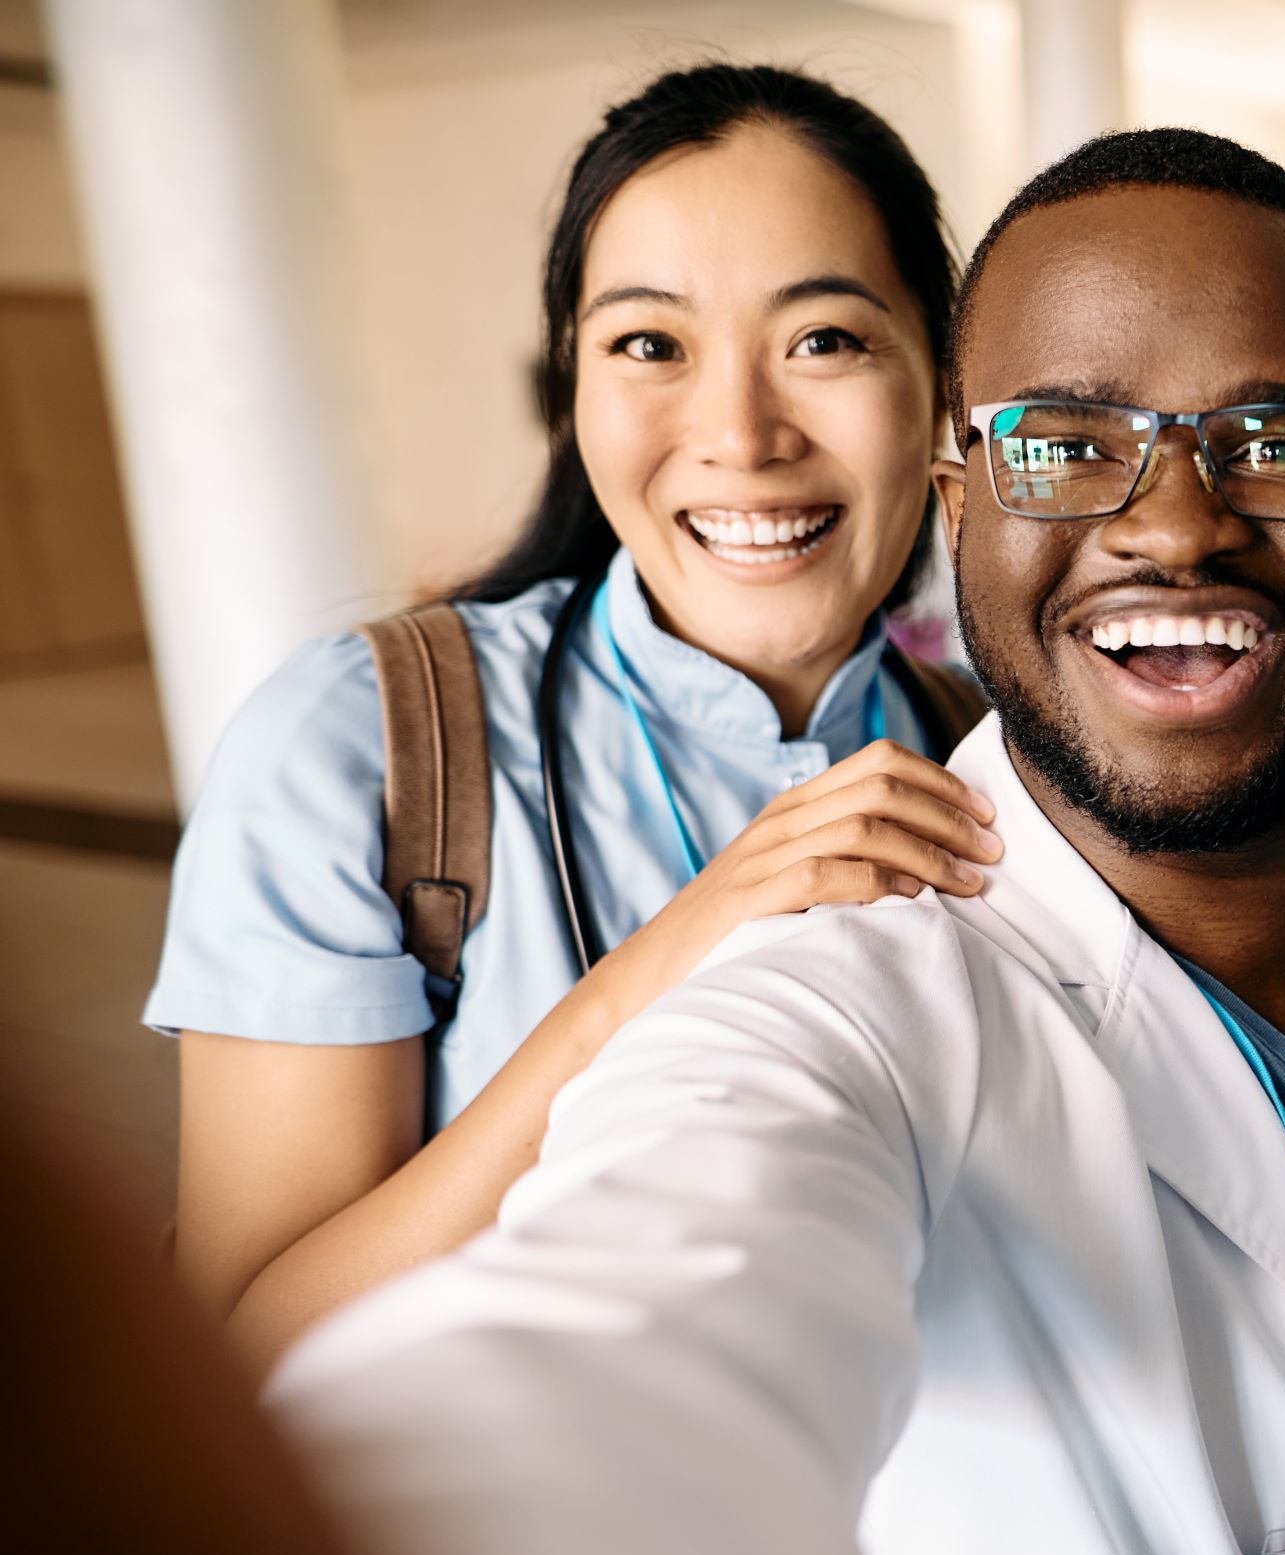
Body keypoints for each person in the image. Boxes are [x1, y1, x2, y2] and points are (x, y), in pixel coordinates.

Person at [261, 131, 1285, 1555]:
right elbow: (636, 1351)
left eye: (1276, 441)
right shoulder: (842, 999)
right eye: (1066, 442)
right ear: (960, 500)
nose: (1180, 522)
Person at [146, 65, 1001, 1374]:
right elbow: (243, 1353)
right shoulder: (363, 748)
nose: (739, 432)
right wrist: (657, 971)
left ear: (937, 385)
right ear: (573, 391)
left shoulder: (995, 760)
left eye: (823, 339)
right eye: (649, 345)